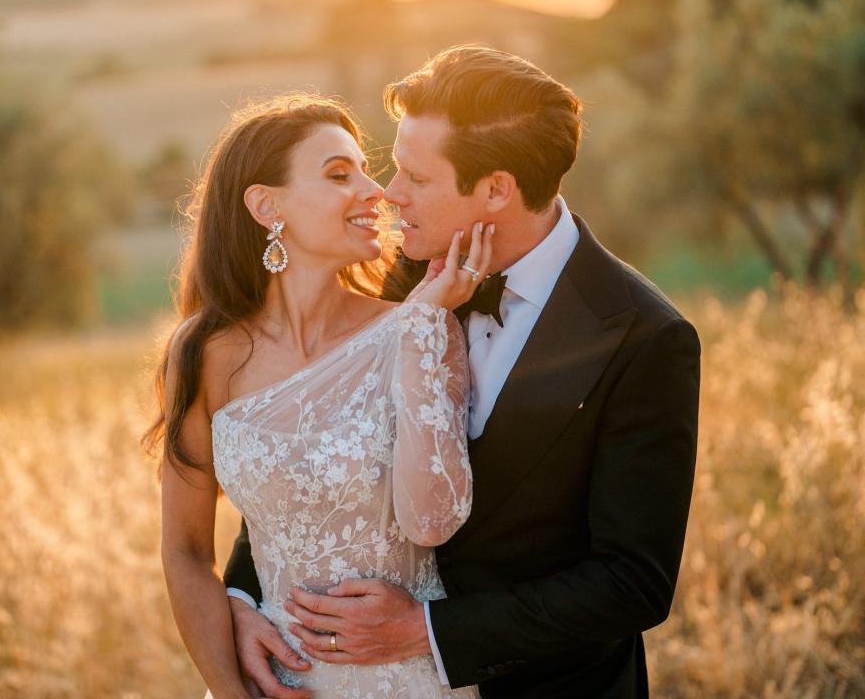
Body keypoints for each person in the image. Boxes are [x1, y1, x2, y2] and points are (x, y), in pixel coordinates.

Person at [223, 46, 701, 699]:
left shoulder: (646, 337)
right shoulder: (396, 278)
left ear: (496, 190)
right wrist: (244, 599)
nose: (389, 194)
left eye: (417, 178)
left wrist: (428, 630)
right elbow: (310, 446)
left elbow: (632, 581)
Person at [144, 94, 492, 698]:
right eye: (339, 175)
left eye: (364, 169)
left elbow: (432, 522)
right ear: (265, 205)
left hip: (409, 679)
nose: (375, 191)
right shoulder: (203, 356)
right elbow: (185, 550)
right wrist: (232, 689)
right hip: (274, 682)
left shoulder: (421, 325)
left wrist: (418, 330)